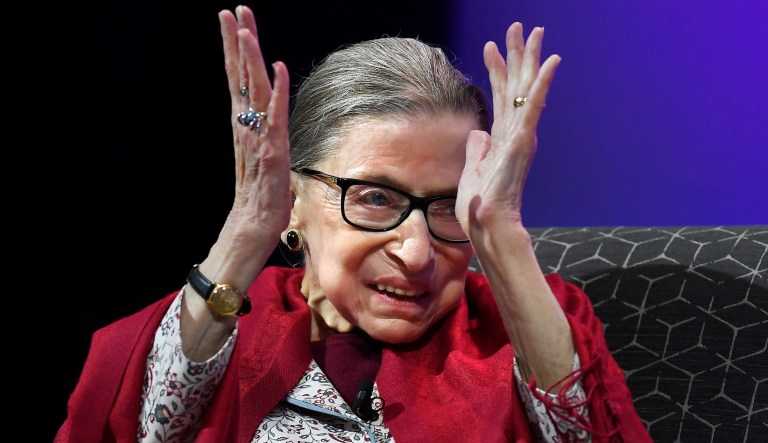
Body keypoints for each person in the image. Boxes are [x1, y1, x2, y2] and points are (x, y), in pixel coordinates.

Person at [56, 4, 651, 443]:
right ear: (295, 200)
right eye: (374, 198)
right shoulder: (222, 337)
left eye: (449, 206)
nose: (417, 254)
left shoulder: (514, 335)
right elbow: (146, 429)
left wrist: (501, 232)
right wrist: (244, 231)